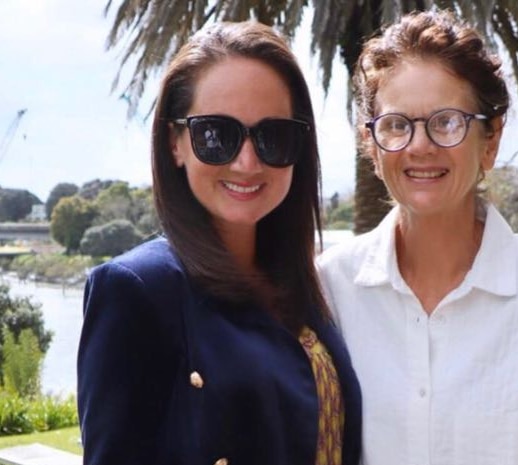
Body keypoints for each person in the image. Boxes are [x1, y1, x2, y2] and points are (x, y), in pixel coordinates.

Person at [317, 10, 518, 465]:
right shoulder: (331, 287)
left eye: (446, 122)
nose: (419, 146)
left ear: (491, 137)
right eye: (397, 124)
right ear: (372, 143)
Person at [77, 21, 361, 465]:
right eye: (216, 135)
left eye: (274, 136)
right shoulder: (138, 290)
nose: (247, 162)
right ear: (176, 143)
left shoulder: (306, 286)